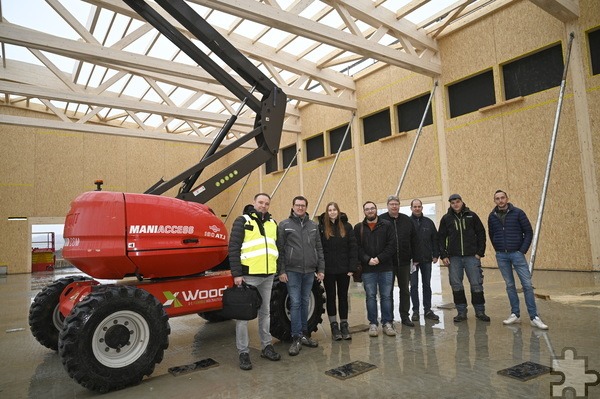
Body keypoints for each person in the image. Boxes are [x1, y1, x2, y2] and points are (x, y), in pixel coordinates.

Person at [228, 193, 281, 370]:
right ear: (254, 203)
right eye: (260, 202)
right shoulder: (242, 221)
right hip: (248, 275)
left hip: (268, 276)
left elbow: (277, 248)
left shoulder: (273, 223)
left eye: (266, 203)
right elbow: (233, 248)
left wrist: (278, 269)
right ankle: (243, 352)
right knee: (243, 316)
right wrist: (237, 274)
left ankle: (266, 346)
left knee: (265, 312)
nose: (263, 206)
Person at [488, 190, 548, 329]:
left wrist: (522, 251)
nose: (500, 200)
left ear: (507, 198)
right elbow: (492, 234)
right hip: (502, 256)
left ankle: (534, 317)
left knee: (527, 285)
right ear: (494, 201)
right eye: (497, 198)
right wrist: (498, 248)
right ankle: (515, 314)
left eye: (502, 198)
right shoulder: (492, 216)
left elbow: (528, 232)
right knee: (509, 285)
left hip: (517, 254)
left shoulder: (518, 213)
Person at [277, 196, 325, 356]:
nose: (300, 208)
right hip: (293, 271)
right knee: (296, 303)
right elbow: (281, 250)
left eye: (303, 205)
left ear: (306, 207)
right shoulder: (284, 225)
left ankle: (305, 334)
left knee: (305, 302)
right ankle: (296, 337)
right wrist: (282, 271)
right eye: (297, 205)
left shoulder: (313, 225)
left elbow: (319, 248)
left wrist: (321, 269)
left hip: (309, 271)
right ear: (293, 206)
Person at [438, 194, 490, 322]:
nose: (455, 204)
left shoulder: (472, 216)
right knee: (456, 285)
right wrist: (444, 255)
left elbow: (481, 233)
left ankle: (480, 311)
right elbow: (440, 238)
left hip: (472, 256)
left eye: (457, 201)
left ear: (462, 202)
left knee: (476, 284)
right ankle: (461, 312)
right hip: (454, 258)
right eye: (453, 203)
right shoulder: (446, 219)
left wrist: (479, 252)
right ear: (450, 204)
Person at [354, 201, 397, 337]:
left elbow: (391, 245)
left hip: (386, 267)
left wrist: (379, 258)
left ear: (376, 209)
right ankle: (373, 324)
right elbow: (357, 247)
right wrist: (367, 259)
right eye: (367, 209)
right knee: (370, 297)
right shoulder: (359, 228)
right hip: (368, 270)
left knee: (386, 296)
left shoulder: (387, 225)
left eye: (372, 208)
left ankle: (387, 323)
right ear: (364, 211)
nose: (370, 211)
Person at [318, 202, 358, 340]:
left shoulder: (347, 226)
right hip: (328, 270)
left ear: (338, 211)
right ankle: (334, 325)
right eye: (329, 210)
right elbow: (320, 249)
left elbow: (353, 247)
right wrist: (320, 269)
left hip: (344, 270)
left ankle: (344, 324)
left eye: (334, 209)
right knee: (331, 297)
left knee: (343, 297)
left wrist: (352, 268)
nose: (332, 212)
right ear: (327, 212)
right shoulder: (322, 228)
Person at [379, 195, 418, 327]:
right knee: (387, 292)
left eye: (396, 204)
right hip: (387, 263)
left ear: (399, 205)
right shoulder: (381, 220)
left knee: (405, 290)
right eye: (391, 204)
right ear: (388, 205)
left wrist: (415, 258)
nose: (394, 206)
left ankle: (405, 316)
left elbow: (414, 240)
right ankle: (388, 318)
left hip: (404, 262)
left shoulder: (407, 220)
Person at [409, 199, 441, 322]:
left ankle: (427, 309)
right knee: (414, 286)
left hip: (427, 259)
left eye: (419, 206)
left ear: (422, 208)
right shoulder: (407, 222)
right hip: (413, 261)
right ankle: (415, 311)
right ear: (411, 208)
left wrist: (435, 254)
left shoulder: (429, 222)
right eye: (415, 206)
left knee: (426, 285)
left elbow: (435, 239)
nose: (417, 208)